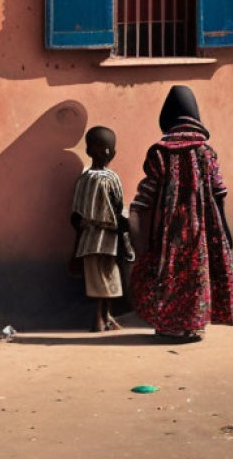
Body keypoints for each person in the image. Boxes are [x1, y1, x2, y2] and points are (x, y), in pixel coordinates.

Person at [128, 85, 233, 341]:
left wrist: (137, 220)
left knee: (169, 273)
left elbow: (146, 193)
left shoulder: (159, 152)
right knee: (197, 273)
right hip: (202, 227)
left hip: (168, 228)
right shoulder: (207, 152)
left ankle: (169, 326)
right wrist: (224, 229)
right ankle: (193, 325)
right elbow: (219, 193)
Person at [71, 126, 135, 332]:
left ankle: (106, 318)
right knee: (109, 279)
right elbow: (117, 209)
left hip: (88, 240)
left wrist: (78, 240)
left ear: (88, 151)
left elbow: (75, 216)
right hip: (108, 240)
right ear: (113, 153)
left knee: (98, 281)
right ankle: (100, 319)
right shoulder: (112, 178)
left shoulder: (83, 180)